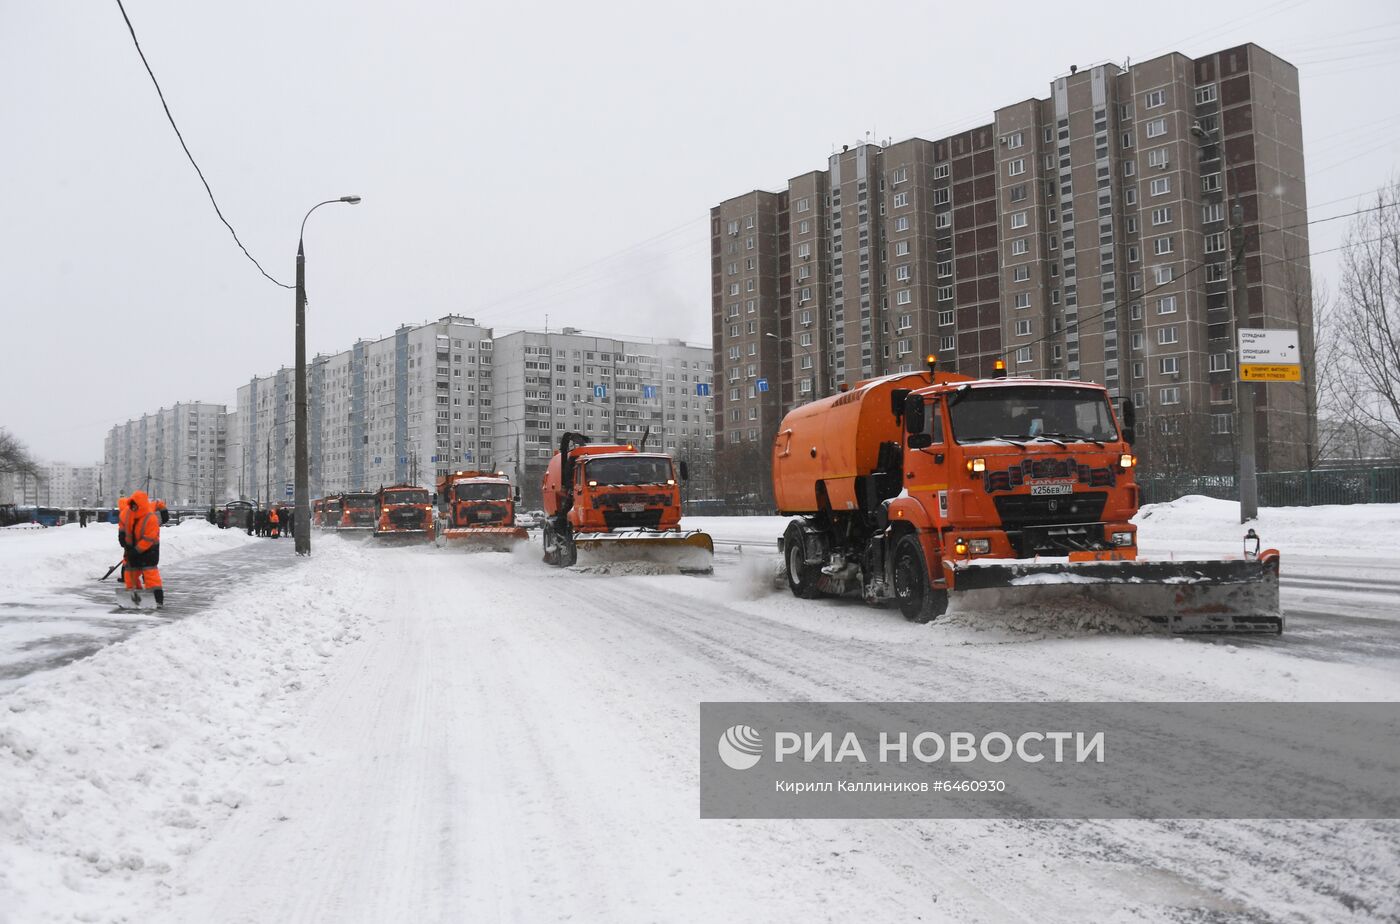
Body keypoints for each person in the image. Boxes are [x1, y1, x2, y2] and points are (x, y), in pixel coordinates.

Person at [118, 490, 163, 607]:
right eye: (131, 505)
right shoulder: (127, 513)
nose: (133, 507)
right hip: (131, 548)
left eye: (135, 505)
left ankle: (157, 598)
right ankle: (135, 596)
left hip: (149, 550)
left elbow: (149, 538)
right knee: (130, 573)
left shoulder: (150, 518)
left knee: (150, 574)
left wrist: (136, 551)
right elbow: (122, 523)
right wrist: (121, 535)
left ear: (141, 504)